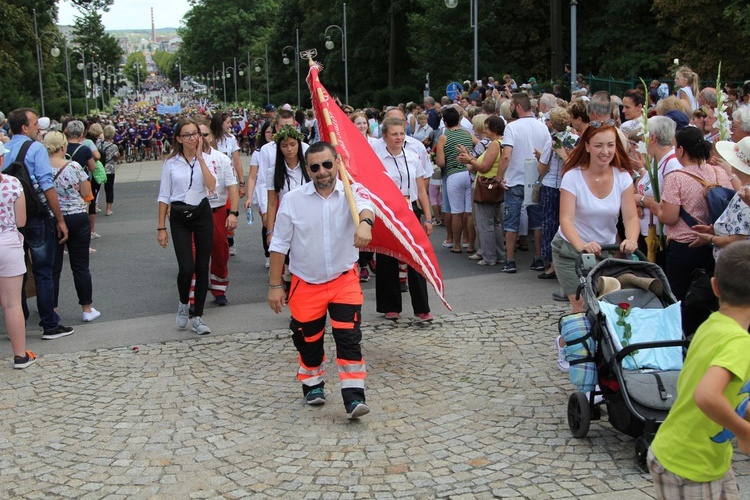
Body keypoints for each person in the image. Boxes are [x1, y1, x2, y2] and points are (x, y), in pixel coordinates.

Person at [267, 141, 374, 420]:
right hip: (306, 283)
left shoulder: (352, 191)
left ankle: (354, 397)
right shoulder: (292, 200)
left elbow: (366, 208)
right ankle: (313, 385)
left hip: (344, 280)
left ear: (337, 162)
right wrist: (275, 285)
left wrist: (365, 224)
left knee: (349, 338)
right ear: (307, 169)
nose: (322, 171)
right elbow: (278, 245)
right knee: (308, 340)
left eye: (327, 164)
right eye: (315, 167)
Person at [648, 240, 750, 500]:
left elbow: (726, 391)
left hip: (707, 457)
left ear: (715, 286)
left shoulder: (712, 325)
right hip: (688, 464)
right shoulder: (738, 343)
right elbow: (706, 395)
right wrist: (744, 431)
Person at [552, 123, 639, 370]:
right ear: (587, 147)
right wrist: (581, 245)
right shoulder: (573, 177)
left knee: (605, 305)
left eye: (610, 145)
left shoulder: (622, 177)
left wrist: (631, 239)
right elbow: (566, 219)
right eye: (599, 145)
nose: (605, 151)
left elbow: (631, 217)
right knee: (580, 307)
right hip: (571, 250)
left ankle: (602, 350)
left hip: (606, 250)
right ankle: (565, 344)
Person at [3, 108, 72, 340]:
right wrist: (60, 219)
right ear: (25, 127)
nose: (38, 128)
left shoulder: (6, 149)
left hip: (10, 218)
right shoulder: (35, 149)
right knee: (44, 270)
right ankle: (49, 323)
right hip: (36, 217)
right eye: (34, 124)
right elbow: (46, 186)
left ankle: (19, 320)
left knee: (17, 272)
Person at [651, 127, 732, 301]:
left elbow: (670, 218)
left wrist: (651, 205)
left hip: (686, 245)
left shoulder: (676, 177)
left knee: (680, 300)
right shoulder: (720, 173)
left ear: (681, 150)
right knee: (711, 298)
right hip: (717, 244)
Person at [156, 117, 217, 335]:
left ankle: (197, 316)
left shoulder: (207, 159)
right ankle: (183, 302)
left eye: (195, 134)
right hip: (180, 215)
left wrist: (200, 158)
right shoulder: (171, 163)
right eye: (187, 135)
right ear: (179, 139)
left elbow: (212, 187)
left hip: (201, 212)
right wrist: (161, 227)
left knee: (202, 267)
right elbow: (164, 196)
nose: (193, 138)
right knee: (186, 267)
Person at [374, 117, 435, 322]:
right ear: (385, 137)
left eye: (401, 133)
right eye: (394, 134)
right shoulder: (377, 158)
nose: (399, 137)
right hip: (388, 212)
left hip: (410, 211)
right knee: (387, 259)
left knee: (416, 258)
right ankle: (390, 306)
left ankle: (422, 308)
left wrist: (428, 217)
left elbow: (421, 189)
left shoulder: (412, 156)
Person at [44, 131, 100, 323]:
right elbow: (86, 191)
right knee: (80, 266)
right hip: (76, 216)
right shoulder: (74, 166)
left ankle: (52, 307)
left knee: (53, 266)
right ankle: (87, 308)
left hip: (51, 217)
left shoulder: (41, 168)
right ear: (63, 147)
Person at [498, 93, 552, 273]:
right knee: (536, 222)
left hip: (515, 179)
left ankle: (510, 261)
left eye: (512, 106)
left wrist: (499, 177)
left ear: (518, 106)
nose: (511, 109)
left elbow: (506, 155)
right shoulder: (542, 127)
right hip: (536, 178)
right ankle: (538, 258)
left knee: (511, 222)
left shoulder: (512, 127)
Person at [0, 142, 37, 368]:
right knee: (12, 303)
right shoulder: (13, 183)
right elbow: (21, 221)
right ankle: (20, 355)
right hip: (8, 243)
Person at [196, 118, 239, 306]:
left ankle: (219, 288)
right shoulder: (187, 160)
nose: (200, 138)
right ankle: (195, 291)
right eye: (197, 135)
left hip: (217, 211)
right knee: (195, 254)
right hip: (196, 213)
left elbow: (232, 187)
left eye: (204, 134)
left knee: (220, 252)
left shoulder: (222, 159)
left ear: (211, 136)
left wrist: (233, 213)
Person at [458, 116, 506, 266]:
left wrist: (469, 160)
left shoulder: (494, 145)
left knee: (485, 223)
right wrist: (470, 157)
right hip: (494, 185)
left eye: (486, 128)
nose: (484, 131)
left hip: (487, 185)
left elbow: (484, 167)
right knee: (496, 222)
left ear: (493, 128)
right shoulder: (504, 143)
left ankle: (489, 256)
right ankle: (499, 254)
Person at [634, 116, 682, 269]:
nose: (642, 139)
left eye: (644, 135)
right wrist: (638, 201)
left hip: (660, 236)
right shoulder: (657, 160)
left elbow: (666, 202)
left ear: (652, 137)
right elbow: (644, 187)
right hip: (648, 233)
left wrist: (642, 201)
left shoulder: (672, 164)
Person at [435, 106, 476, 254]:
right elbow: (478, 143)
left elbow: (441, 162)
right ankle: (470, 244)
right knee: (469, 212)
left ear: (444, 122)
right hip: (469, 172)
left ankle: (456, 245)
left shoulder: (443, 137)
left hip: (453, 175)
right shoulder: (467, 133)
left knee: (456, 212)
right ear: (459, 120)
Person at [245, 121, 274, 269]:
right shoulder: (258, 152)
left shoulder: (280, 149)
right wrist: (249, 197)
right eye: (267, 132)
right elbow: (252, 176)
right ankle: (268, 254)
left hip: (278, 190)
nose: (270, 135)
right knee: (266, 222)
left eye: (272, 132)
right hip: (263, 192)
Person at [98, 125, 119, 217]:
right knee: (109, 189)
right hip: (109, 168)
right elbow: (116, 158)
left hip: (99, 168)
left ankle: (94, 205)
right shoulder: (113, 146)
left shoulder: (99, 143)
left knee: (96, 188)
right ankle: (108, 209)